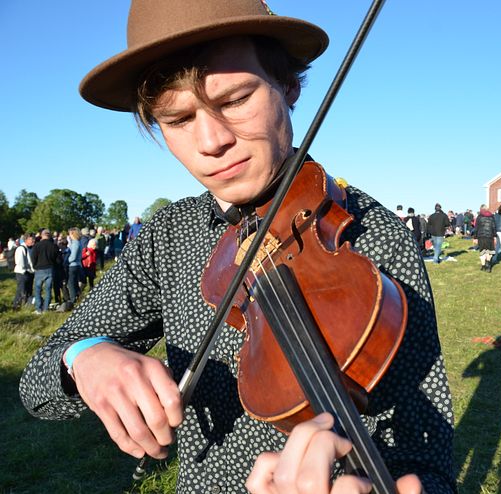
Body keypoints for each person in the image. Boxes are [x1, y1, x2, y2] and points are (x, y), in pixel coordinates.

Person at [19, 2, 454, 493]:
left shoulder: (373, 235)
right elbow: (37, 385)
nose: (211, 141)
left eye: (235, 100)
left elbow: (430, 459)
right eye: (178, 119)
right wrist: (86, 356)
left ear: (288, 86)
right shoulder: (168, 235)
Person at [30, 229, 60, 314]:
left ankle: (39, 309)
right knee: (48, 289)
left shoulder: (37, 246)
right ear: (49, 235)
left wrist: (34, 266)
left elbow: (33, 257)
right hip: (50, 269)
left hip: (39, 269)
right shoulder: (54, 246)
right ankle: (46, 308)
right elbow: (58, 260)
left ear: (41, 235)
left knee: (38, 289)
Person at [12, 235, 35, 310]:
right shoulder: (21, 248)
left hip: (29, 272)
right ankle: (16, 306)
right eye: (31, 239)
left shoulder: (30, 248)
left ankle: (27, 305)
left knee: (28, 290)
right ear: (26, 240)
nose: (33, 241)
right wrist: (24, 270)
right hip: (22, 273)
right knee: (21, 290)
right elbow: (19, 262)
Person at [474, 205, 496, 272]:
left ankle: (483, 266)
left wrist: (475, 237)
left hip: (481, 236)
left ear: (481, 209)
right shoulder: (492, 216)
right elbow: (494, 227)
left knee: (482, 251)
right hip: (490, 236)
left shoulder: (479, 217)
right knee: (489, 251)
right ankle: (488, 264)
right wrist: (495, 236)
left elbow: (476, 228)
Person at [67, 227, 83, 303]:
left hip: (73, 265)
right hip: (77, 265)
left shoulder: (75, 243)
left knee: (71, 284)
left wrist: (66, 261)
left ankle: (73, 300)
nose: (69, 235)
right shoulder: (78, 242)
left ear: (73, 234)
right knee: (75, 283)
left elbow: (73, 256)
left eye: (70, 233)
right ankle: (78, 297)